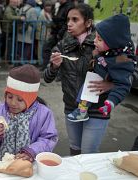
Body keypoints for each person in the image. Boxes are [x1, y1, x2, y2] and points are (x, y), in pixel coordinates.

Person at [43, 3, 114, 155]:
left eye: (75, 20)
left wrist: (110, 85)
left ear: (88, 23)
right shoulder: (63, 45)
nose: (69, 24)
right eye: (68, 19)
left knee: (88, 153)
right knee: (75, 150)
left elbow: (127, 74)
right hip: (72, 107)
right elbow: (47, 78)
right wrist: (54, 66)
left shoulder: (103, 44)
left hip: (96, 108)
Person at [67, 14, 136, 122]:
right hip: (94, 81)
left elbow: (123, 84)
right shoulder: (108, 50)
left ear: (113, 43)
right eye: (95, 36)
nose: (94, 41)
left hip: (99, 108)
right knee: (87, 88)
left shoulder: (122, 59)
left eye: (99, 39)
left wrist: (110, 103)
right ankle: (81, 110)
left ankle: (81, 111)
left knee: (89, 87)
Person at [0, 64, 58, 162]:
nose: (13, 103)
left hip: (29, 163)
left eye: (20, 99)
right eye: (9, 97)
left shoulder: (43, 114)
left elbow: (49, 139)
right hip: (2, 162)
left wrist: (32, 151)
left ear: (31, 99)